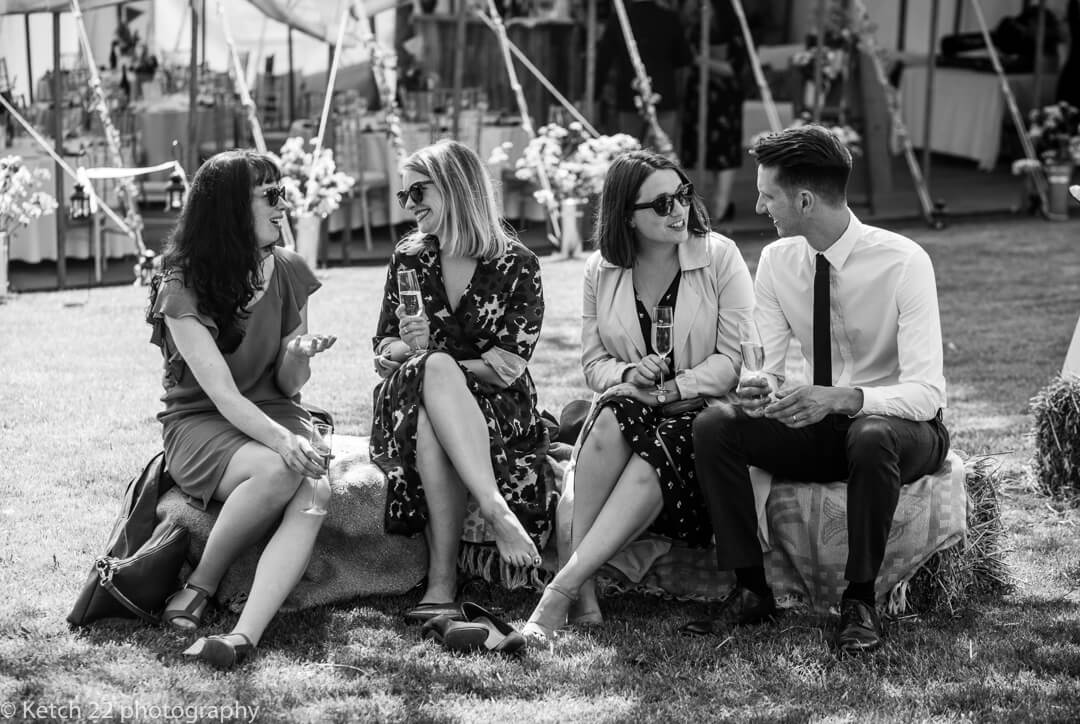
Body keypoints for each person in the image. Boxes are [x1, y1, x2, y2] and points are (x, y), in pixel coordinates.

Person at [683, 125, 950, 654]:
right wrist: (760, 389)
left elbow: (927, 392)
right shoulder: (779, 262)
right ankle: (750, 590)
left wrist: (845, 398)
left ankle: (860, 601)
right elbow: (769, 366)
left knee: (870, 435)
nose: (759, 205)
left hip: (902, 432)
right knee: (716, 425)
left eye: (768, 194)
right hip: (822, 427)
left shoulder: (904, 262)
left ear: (804, 199)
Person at [522, 150, 755, 643]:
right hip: (632, 402)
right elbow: (593, 365)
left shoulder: (719, 256)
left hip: (701, 411)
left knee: (660, 440)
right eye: (663, 203)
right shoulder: (600, 270)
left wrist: (672, 388)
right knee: (611, 412)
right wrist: (630, 372)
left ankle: (561, 591)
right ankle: (582, 594)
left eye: (684, 195)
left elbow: (733, 360)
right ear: (627, 216)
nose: (680, 211)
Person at [147, 150, 336, 669]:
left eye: (284, 193)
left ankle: (244, 635)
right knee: (284, 466)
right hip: (202, 421)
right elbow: (223, 395)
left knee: (314, 484)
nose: (283, 206)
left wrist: (296, 359)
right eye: (270, 196)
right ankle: (203, 584)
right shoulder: (183, 282)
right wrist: (283, 440)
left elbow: (287, 386)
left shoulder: (291, 269)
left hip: (276, 406)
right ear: (231, 208)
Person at [370, 139, 551, 624]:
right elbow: (383, 348)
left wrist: (437, 365)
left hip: (498, 405)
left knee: (435, 399)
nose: (409, 206)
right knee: (432, 375)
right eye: (403, 196)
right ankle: (496, 511)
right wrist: (410, 350)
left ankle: (442, 584)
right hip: (406, 397)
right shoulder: (408, 257)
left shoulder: (517, 264)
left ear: (455, 186)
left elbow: (507, 365)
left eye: (419, 191)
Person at [680, 0, 748, 223]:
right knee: (698, 152)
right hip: (699, 95)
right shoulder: (694, 27)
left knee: (723, 152)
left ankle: (720, 204)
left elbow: (734, 68)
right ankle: (698, 206)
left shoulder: (733, 28)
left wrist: (702, 60)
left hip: (723, 98)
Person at [595, 0, 693, 152]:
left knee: (630, 156)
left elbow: (603, 61)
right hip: (664, 96)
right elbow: (684, 59)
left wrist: (595, 95)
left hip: (629, 97)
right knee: (662, 157)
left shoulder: (620, 19)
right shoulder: (669, 18)